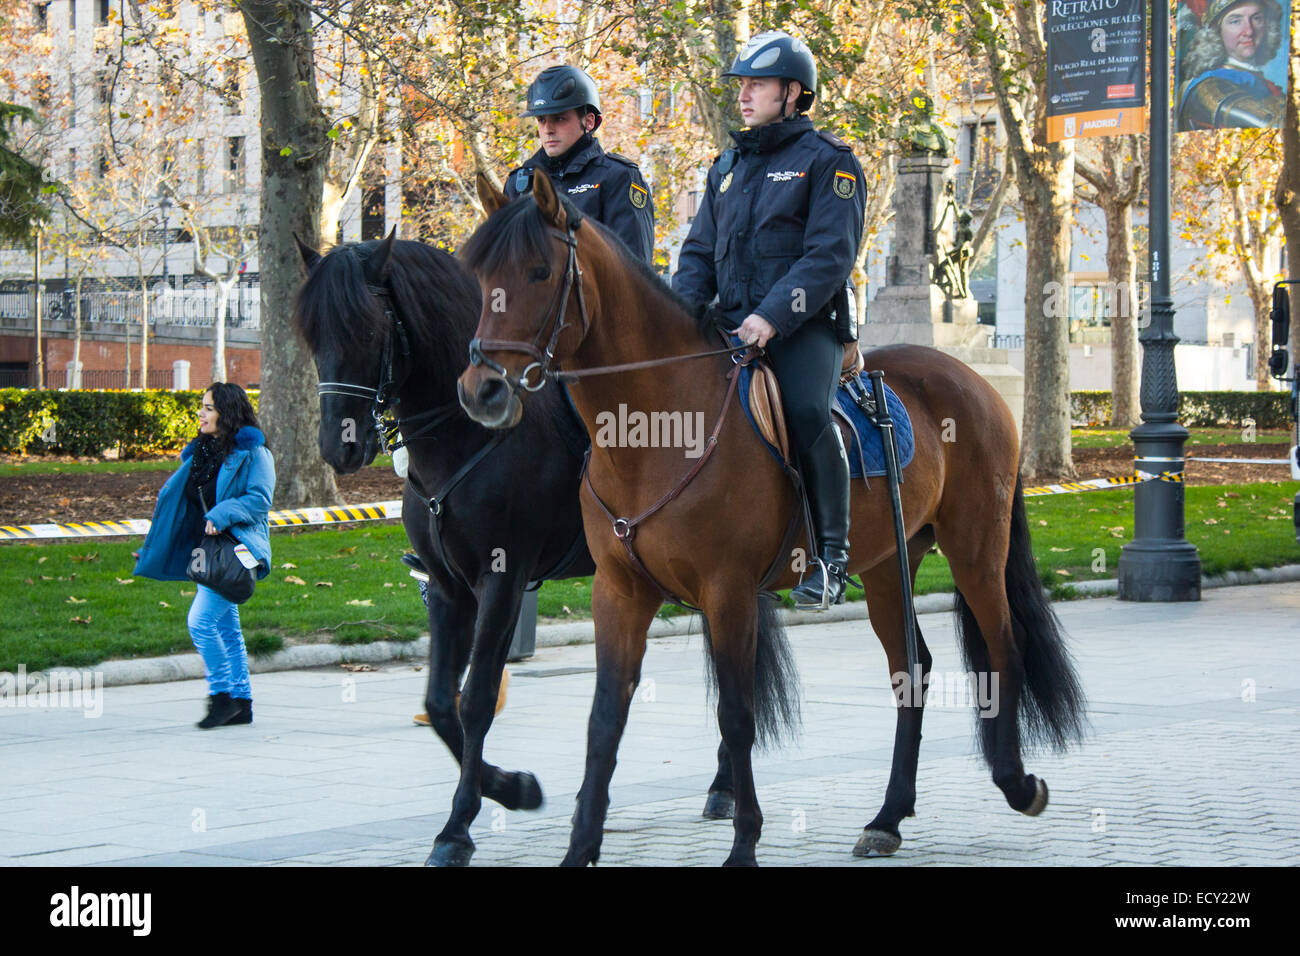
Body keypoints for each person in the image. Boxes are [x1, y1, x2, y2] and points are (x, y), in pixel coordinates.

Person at [674, 30, 866, 610]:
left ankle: (832, 560)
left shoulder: (830, 162)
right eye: (741, 84)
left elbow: (828, 257)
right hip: (727, 327)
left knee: (808, 411)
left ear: (793, 93)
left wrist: (772, 317)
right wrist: (679, 315)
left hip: (802, 328)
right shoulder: (726, 167)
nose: (744, 94)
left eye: (756, 84)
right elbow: (699, 253)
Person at [133, 383, 275, 728]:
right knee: (226, 628)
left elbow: (260, 500)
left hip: (237, 549)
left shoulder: (254, 453)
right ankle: (241, 703)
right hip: (208, 552)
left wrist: (222, 513)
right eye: (202, 406)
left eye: (208, 408)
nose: (201, 413)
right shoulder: (203, 453)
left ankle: (221, 697)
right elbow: (178, 507)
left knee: (199, 623)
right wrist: (157, 544)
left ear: (227, 412)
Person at [504, 64, 656, 264]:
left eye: (559, 119)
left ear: (589, 121)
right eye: (541, 120)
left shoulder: (618, 177)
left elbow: (634, 271)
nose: (548, 129)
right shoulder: (518, 184)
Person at [1177, 0, 1285, 131]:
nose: (1249, 31)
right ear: (1217, 31)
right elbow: (1272, 126)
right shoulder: (1209, 86)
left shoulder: (1260, 80)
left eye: (1256, 18)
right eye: (1236, 21)